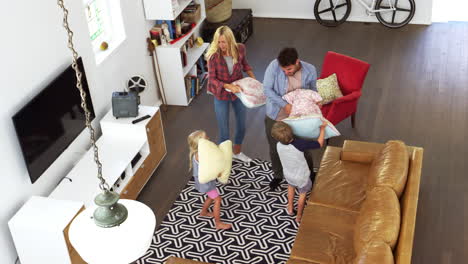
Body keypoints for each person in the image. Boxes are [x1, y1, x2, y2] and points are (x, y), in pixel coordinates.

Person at [263, 47, 318, 190]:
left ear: (297, 62)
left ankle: (310, 173)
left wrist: (314, 103)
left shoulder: (310, 70)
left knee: (303, 146)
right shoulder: (273, 66)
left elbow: (313, 90)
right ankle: (278, 175)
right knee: (275, 147)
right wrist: (284, 105)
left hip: (299, 116)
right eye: (283, 70)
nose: (285, 72)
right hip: (276, 114)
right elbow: (267, 89)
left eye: (288, 69)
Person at [206, 26, 256, 163]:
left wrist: (254, 79)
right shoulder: (213, 56)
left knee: (241, 125)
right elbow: (212, 79)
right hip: (221, 94)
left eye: (224, 42)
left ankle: (237, 152)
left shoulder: (240, 49)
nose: (221, 45)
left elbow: (245, 65)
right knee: (224, 129)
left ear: (230, 40)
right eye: (219, 42)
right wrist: (228, 86)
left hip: (238, 92)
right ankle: (224, 158)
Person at [271, 121, 327, 223]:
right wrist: (322, 129)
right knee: (302, 194)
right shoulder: (300, 144)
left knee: (291, 187)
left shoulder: (278, 145)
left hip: (288, 174)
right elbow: (319, 144)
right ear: (291, 131)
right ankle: (299, 216)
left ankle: (290, 208)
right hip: (302, 176)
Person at [187, 130, 232, 230]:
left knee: (211, 197)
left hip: (205, 181)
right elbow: (210, 168)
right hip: (206, 183)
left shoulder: (199, 153)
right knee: (217, 199)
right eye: (206, 138)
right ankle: (218, 223)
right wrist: (218, 172)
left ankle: (203, 212)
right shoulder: (201, 156)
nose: (208, 138)